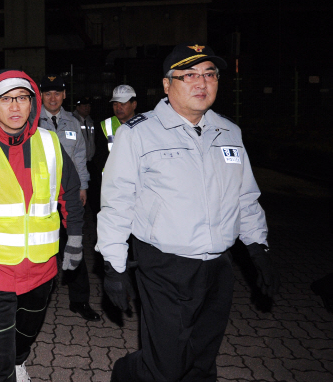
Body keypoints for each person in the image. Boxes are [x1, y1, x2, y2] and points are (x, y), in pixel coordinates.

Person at [96, 42, 280, 381]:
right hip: (164, 264)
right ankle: (128, 373)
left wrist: (257, 247)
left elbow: (245, 197)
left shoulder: (230, 133)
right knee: (166, 363)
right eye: (189, 75)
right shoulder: (139, 134)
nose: (202, 83)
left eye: (210, 74)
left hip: (219, 266)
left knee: (201, 357)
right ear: (167, 85)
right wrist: (113, 264)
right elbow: (117, 202)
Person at [0, 69, 84, 382]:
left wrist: (75, 238)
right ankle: (4, 371)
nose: (14, 106)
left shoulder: (50, 144)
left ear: (32, 104)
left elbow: (70, 195)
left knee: (29, 327)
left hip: (42, 266)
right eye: (6, 99)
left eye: (22, 98)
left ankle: (19, 359)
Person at [38, 74, 98, 322]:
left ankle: (79, 300)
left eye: (57, 93)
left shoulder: (73, 122)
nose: (53, 98)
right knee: (41, 247)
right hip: (40, 194)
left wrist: (83, 186)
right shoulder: (31, 121)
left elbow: (80, 156)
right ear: (41, 96)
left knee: (73, 245)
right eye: (48, 93)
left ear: (64, 96)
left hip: (69, 194)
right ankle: (36, 298)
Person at [94, 85, 137, 173]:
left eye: (123, 104)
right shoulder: (104, 126)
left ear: (134, 105)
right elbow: (99, 159)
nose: (118, 108)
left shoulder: (144, 125)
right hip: (112, 181)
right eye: (115, 104)